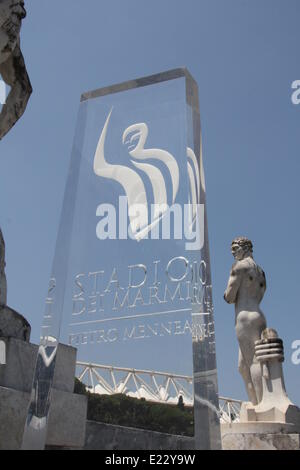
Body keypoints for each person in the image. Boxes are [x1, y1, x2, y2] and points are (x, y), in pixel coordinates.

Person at [224, 236, 267, 405]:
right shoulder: (261, 272)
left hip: (244, 318)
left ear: (246, 247)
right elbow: (261, 294)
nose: (233, 252)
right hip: (258, 314)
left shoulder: (239, 267)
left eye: (236, 248)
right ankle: (255, 402)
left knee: (254, 362)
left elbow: (229, 296)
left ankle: (262, 405)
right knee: (243, 367)